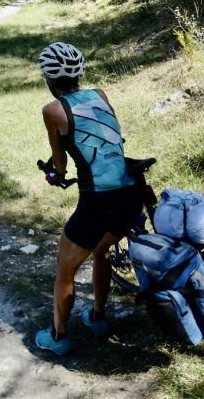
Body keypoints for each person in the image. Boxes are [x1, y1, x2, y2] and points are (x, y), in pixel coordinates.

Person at [34, 42, 143, 355]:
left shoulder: (52, 111)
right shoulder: (100, 95)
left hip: (99, 202)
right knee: (101, 249)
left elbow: (61, 165)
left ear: (48, 78)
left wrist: (53, 174)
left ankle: (57, 338)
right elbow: (115, 136)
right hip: (131, 192)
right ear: (79, 74)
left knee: (65, 267)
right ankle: (97, 318)